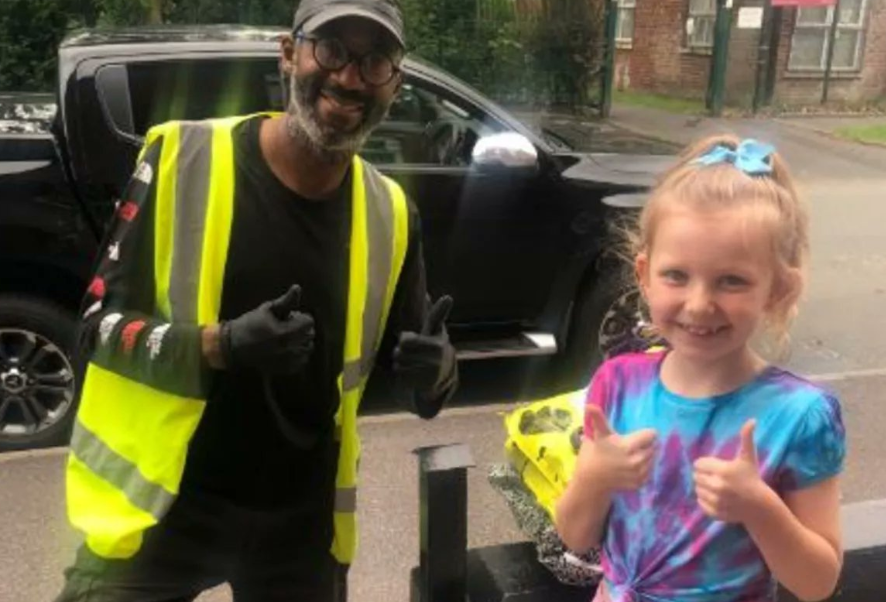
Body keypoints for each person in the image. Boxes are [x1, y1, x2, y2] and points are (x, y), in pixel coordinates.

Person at [56, 0, 458, 600]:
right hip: (167, 508)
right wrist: (220, 345)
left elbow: (417, 376)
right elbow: (94, 331)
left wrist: (439, 374)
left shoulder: (392, 212)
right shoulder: (180, 158)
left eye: (375, 61)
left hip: (299, 521)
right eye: (332, 50)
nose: (350, 77)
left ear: (394, 85)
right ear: (289, 54)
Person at [555, 135, 846, 602]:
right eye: (676, 275)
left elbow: (817, 583)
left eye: (732, 281)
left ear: (778, 291)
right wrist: (595, 477)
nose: (699, 304)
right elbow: (575, 536)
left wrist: (759, 507)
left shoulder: (799, 415)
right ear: (644, 276)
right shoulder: (617, 385)